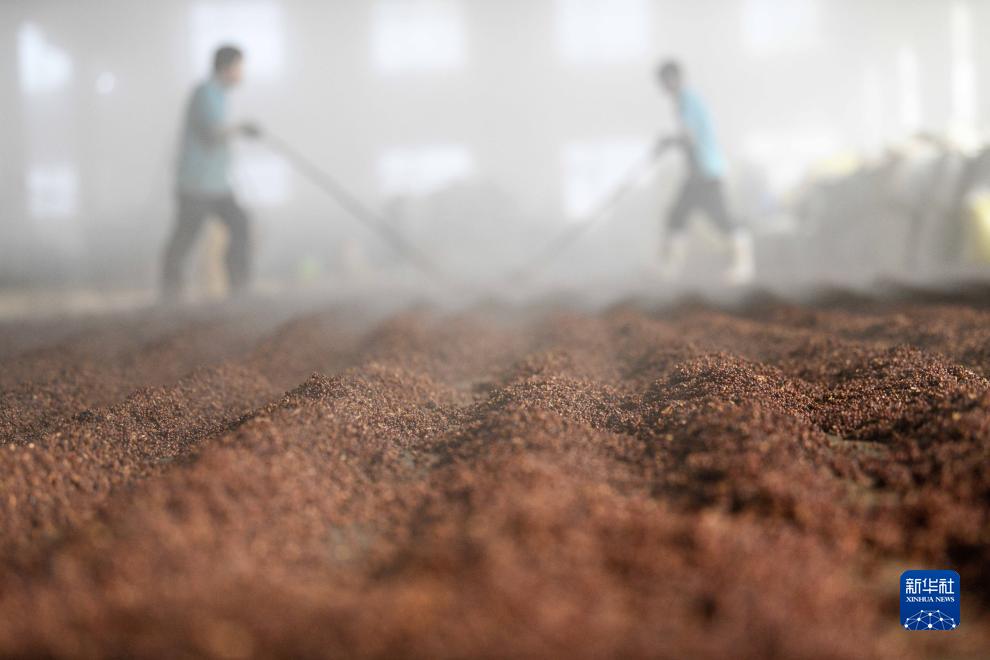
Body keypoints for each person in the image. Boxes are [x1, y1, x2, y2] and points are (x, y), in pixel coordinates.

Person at [162, 45, 260, 301]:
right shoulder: (204, 92)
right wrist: (241, 129)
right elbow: (210, 133)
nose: (241, 74)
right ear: (226, 67)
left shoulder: (220, 95)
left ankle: (240, 289)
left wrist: (238, 131)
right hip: (196, 184)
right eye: (239, 68)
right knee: (185, 238)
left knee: (240, 224)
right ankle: (170, 295)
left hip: (217, 184)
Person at [655, 59, 754, 284]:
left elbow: (689, 137)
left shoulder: (687, 100)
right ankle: (668, 270)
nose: (664, 85)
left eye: (666, 79)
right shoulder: (684, 101)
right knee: (677, 216)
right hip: (698, 174)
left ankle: (743, 267)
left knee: (720, 219)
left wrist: (667, 141)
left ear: (675, 78)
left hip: (706, 172)